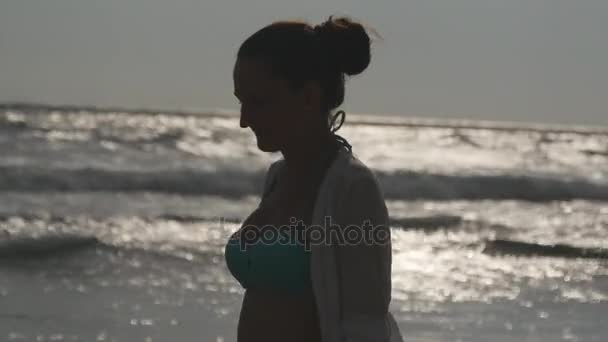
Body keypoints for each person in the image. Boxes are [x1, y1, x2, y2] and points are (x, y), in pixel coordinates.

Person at [224, 15, 404, 342]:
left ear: (308, 97)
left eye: (258, 102)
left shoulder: (352, 187)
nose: (243, 120)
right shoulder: (277, 178)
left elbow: (367, 324)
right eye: (240, 101)